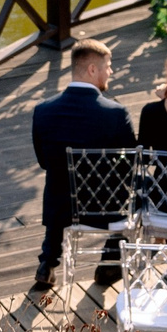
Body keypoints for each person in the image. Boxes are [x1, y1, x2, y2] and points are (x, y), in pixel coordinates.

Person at [29, 36, 139, 293]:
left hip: (63, 208)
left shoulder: (43, 111)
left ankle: (47, 262)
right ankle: (110, 261)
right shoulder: (116, 113)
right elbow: (131, 165)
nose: (111, 71)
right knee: (134, 190)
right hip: (107, 208)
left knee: (57, 178)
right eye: (108, 66)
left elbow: (44, 162)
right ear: (92, 69)